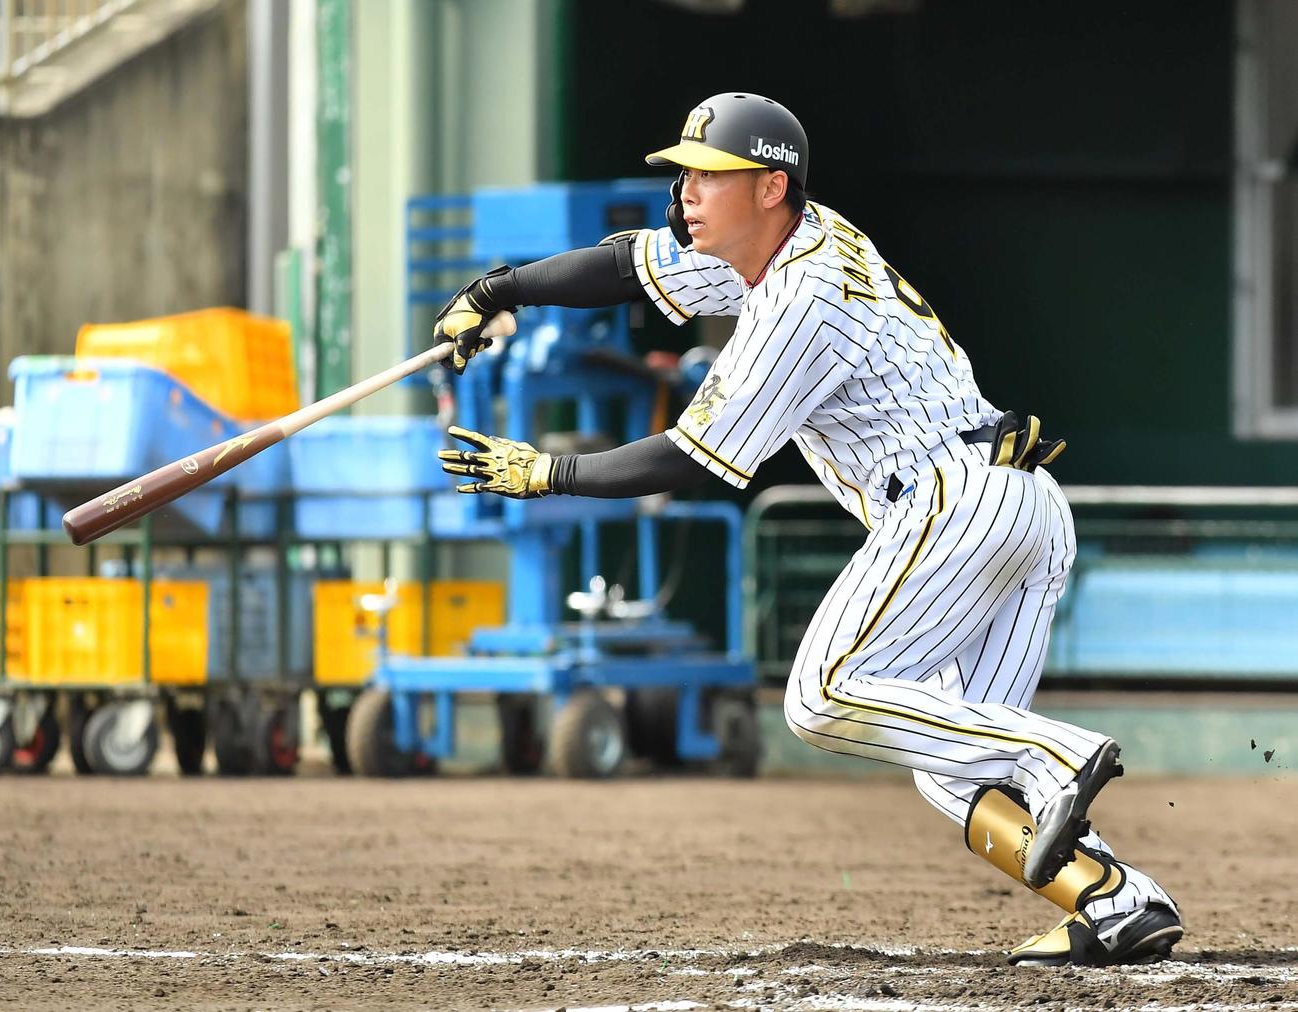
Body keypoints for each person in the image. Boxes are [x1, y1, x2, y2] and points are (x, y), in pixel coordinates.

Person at [433, 92, 1182, 967]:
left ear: (769, 187)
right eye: (683, 176)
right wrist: (500, 289)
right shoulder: (780, 245)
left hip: (954, 501)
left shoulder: (800, 296)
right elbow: (625, 265)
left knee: (822, 695)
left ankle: (1059, 753)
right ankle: (1116, 899)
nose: (684, 193)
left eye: (707, 176)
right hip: (1016, 508)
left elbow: (694, 456)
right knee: (952, 766)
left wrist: (546, 473)